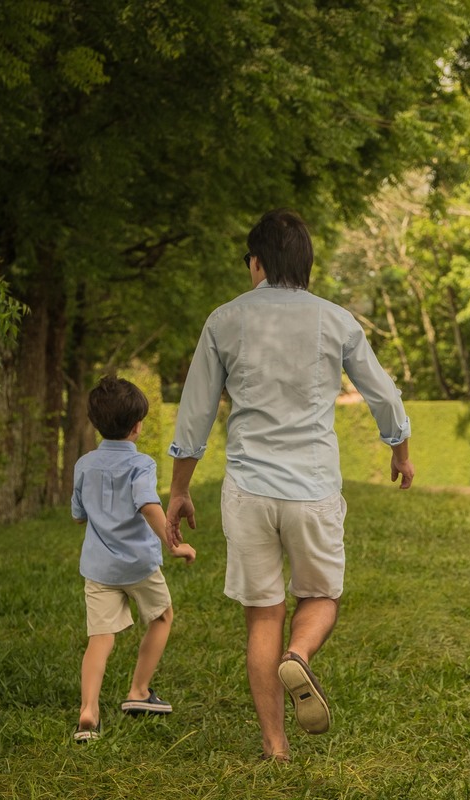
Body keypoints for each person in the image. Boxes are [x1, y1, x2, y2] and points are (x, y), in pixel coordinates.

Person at [166, 208, 415, 762]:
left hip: (249, 490)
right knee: (321, 596)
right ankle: (299, 655)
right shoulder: (336, 320)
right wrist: (399, 450)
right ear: (306, 265)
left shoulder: (223, 320)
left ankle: (274, 746)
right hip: (313, 488)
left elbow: (195, 413)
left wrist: (179, 490)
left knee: (262, 614)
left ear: (256, 263)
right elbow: (383, 393)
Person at [70, 375, 197, 743]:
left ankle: (88, 710)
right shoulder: (141, 464)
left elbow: (78, 514)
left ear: (95, 423)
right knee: (162, 616)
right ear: (138, 426)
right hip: (139, 564)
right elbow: (148, 504)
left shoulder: (84, 465)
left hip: (98, 567)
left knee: (100, 637)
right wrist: (173, 543)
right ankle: (138, 692)